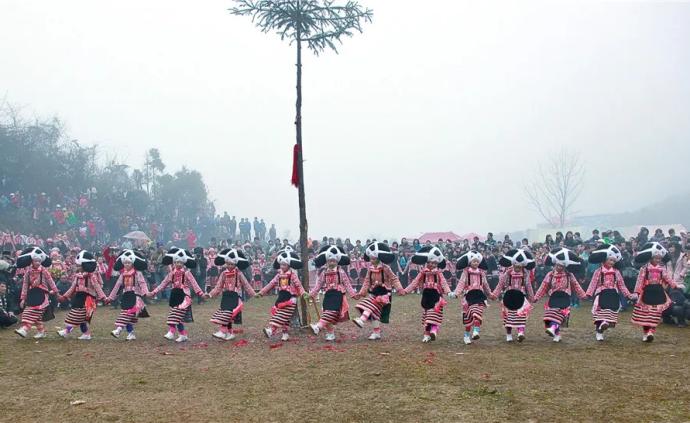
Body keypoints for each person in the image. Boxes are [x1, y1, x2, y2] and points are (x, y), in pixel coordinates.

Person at [631, 242, 685, 342]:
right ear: (651, 258)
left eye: (659, 258)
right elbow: (640, 281)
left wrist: (675, 286)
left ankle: (651, 332)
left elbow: (668, 278)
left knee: (655, 314)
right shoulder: (644, 268)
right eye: (656, 258)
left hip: (658, 292)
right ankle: (646, 333)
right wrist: (636, 293)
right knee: (646, 315)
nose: (658, 260)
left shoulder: (661, 269)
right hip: (647, 292)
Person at [148, 248, 205, 343]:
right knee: (178, 317)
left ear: (183, 263)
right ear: (174, 263)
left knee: (174, 314)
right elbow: (163, 284)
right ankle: (183, 335)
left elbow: (194, 284)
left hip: (184, 297)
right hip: (175, 296)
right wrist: (153, 292)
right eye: (176, 262)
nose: (178, 264)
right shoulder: (171, 274)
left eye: (180, 263)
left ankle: (171, 331)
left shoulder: (187, 273)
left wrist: (201, 294)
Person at [352, 242, 405, 340]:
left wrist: (399, 288)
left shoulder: (386, 268)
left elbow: (394, 278)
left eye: (374, 259)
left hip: (384, 294)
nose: (371, 261)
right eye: (370, 259)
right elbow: (367, 281)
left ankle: (362, 320)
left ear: (378, 258)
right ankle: (376, 332)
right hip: (374, 292)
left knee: (370, 306)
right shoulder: (370, 269)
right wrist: (362, 292)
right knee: (373, 314)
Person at [533, 248, 587, 343]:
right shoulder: (550, 275)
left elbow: (576, 285)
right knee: (549, 316)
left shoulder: (569, 275)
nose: (559, 267)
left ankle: (554, 330)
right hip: (554, 297)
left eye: (562, 266)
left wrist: (583, 295)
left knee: (559, 315)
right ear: (555, 264)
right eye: (558, 265)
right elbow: (543, 286)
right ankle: (556, 334)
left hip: (564, 297)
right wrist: (536, 297)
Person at [586, 244, 637, 342]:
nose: (612, 262)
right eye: (610, 260)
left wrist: (628, 295)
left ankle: (604, 325)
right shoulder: (598, 271)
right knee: (601, 312)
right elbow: (593, 283)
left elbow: (621, 285)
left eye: (614, 261)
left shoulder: (616, 272)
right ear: (605, 259)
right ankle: (599, 332)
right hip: (601, 293)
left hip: (613, 294)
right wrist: (588, 294)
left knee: (611, 311)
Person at [402, 246, 451, 343]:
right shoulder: (423, 272)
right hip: (426, 296)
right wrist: (406, 290)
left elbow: (444, 282)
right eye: (430, 263)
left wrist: (448, 291)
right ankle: (426, 334)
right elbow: (415, 282)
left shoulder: (439, 273)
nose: (432, 265)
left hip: (437, 296)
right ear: (427, 262)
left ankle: (433, 331)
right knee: (427, 315)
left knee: (434, 314)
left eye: (434, 263)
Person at [309, 245, 357, 342]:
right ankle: (330, 333)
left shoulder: (341, 272)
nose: (332, 262)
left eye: (334, 261)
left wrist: (353, 294)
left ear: (337, 261)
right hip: (328, 295)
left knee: (331, 312)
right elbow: (318, 286)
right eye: (330, 261)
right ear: (327, 261)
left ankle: (318, 326)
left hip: (338, 295)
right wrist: (311, 294)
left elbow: (347, 284)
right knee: (326, 312)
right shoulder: (324, 273)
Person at [56, 250, 108, 340]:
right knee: (82, 319)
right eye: (78, 265)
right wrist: (64, 297)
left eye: (80, 265)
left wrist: (104, 297)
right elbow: (72, 288)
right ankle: (86, 334)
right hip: (79, 297)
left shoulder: (91, 276)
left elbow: (97, 287)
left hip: (88, 299)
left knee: (77, 315)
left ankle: (66, 331)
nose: (78, 267)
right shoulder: (77, 276)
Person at [257, 248, 304, 341]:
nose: (282, 266)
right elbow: (271, 283)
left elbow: (299, 285)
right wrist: (262, 292)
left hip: (290, 299)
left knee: (280, 315)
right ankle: (285, 333)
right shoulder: (278, 275)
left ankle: (271, 330)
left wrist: (303, 293)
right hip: (281, 297)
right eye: (281, 264)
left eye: (284, 264)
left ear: (288, 265)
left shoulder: (292, 275)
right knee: (284, 317)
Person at [208, 249, 256, 340]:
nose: (230, 266)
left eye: (232, 264)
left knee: (227, 313)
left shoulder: (239, 273)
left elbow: (246, 284)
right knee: (226, 314)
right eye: (228, 264)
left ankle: (222, 331)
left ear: (235, 264)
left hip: (235, 296)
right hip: (226, 296)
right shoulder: (223, 274)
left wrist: (253, 294)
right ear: (226, 263)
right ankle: (230, 333)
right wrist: (210, 294)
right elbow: (218, 286)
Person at [492, 249, 536, 342]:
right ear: (513, 264)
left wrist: (532, 297)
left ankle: (520, 333)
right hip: (509, 297)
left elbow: (528, 286)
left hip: (521, 297)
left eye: (520, 266)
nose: (518, 267)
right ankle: (509, 334)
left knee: (521, 316)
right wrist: (495, 294)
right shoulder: (507, 273)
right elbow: (500, 284)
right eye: (516, 265)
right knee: (509, 317)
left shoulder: (525, 274)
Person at [453, 250, 496, 345]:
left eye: (477, 261)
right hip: (469, 296)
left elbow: (485, 285)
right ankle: (466, 335)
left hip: (479, 296)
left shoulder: (481, 273)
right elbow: (461, 283)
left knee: (477, 313)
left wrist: (490, 294)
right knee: (469, 318)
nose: (476, 263)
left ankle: (476, 331)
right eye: (474, 261)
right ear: (470, 262)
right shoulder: (466, 272)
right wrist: (456, 293)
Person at [14, 247, 58, 338]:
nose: (37, 263)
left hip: (42, 295)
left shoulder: (44, 271)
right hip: (32, 294)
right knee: (35, 315)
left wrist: (55, 290)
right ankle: (41, 332)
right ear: (32, 261)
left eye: (39, 261)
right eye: (35, 261)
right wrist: (23, 298)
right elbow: (25, 285)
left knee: (31, 312)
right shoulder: (28, 272)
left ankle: (25, 329)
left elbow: (50, 281)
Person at [107, 250, 150, 341]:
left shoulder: (138, 273)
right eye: (125, 263)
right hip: (126, 296)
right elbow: (117, 286)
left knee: (127, 314)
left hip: (135, 297)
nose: (126, 264)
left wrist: (146, 292)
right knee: (128, 317)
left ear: (132, 263)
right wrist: (110, 297)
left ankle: (118, 330)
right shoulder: (122, 275)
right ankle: (131, 334)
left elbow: (143, 283)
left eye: (128, 263)